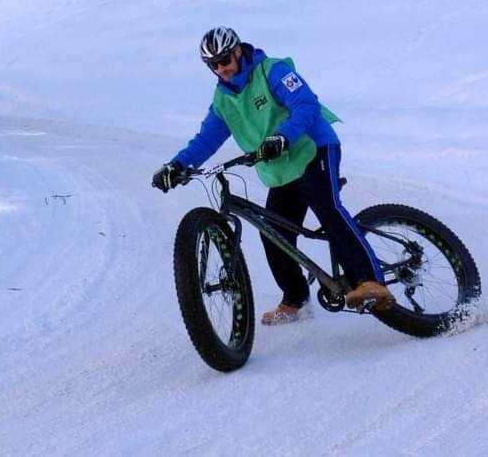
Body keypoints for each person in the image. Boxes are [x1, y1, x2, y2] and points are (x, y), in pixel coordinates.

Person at [152, 27, 394, 325]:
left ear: (238, 51)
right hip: (281, 169)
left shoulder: (273, 70)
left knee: (328, 209)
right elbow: (206, 139)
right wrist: (177, 165)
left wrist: (282, 137)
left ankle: (370, 281)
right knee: (273, 234)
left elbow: (306, 105)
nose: (222, 68)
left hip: (312, 148)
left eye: (225, 58)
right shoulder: (223, 99)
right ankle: (295, 300)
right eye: (213, 64)